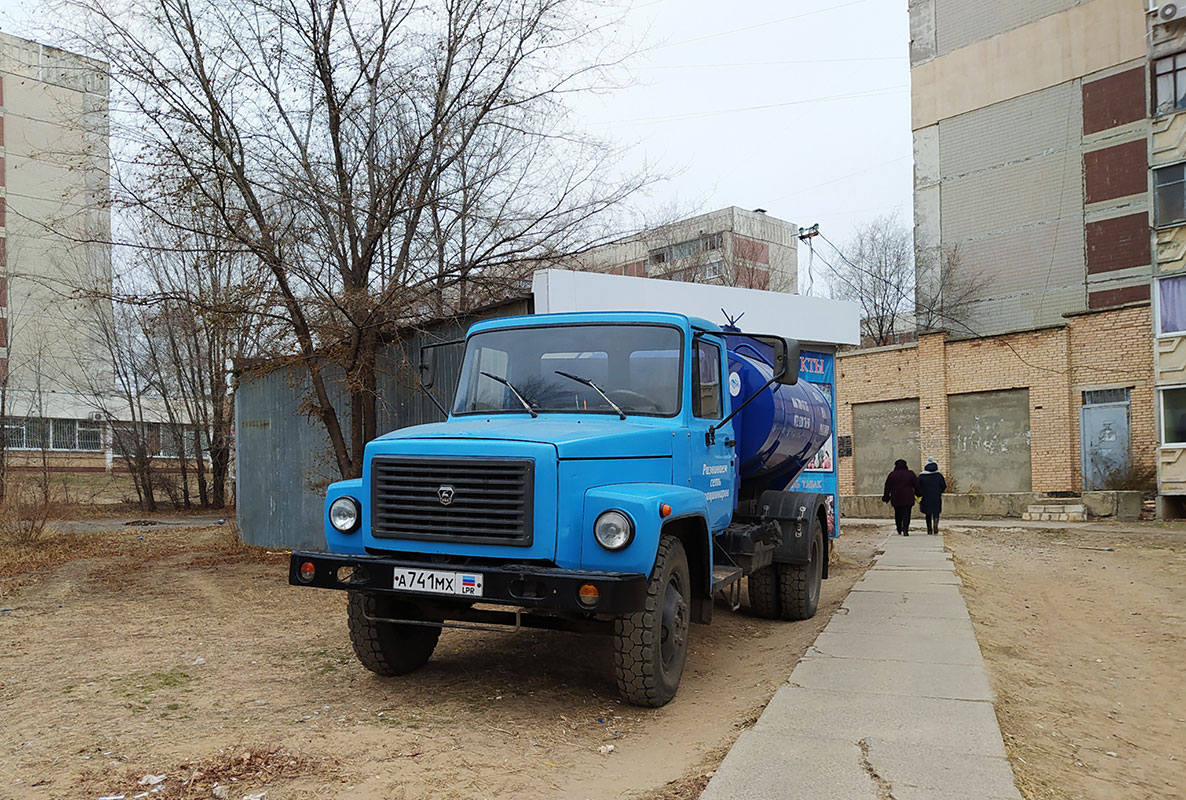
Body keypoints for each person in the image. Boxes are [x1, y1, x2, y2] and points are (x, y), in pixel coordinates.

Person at [882, 458, 920, 536]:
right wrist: (918, 494)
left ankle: (899, 528)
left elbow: (887, 487)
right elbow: (916, 485)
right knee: (907, 513)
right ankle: (905, 529)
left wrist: (886, 497)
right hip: (908, 497)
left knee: (898, 513)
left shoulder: (892, 474)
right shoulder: (910, 474)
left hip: (896, 497)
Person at [918, 457, 947, 535]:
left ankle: (929, 529)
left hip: (925, 497)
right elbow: (944, 486)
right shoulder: (939, 476)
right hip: (936, 497)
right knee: (936, 512)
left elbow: (918, 487)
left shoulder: (921, 476)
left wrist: (920, 495)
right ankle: (935, 525)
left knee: (928, 514)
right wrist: (939, 492)